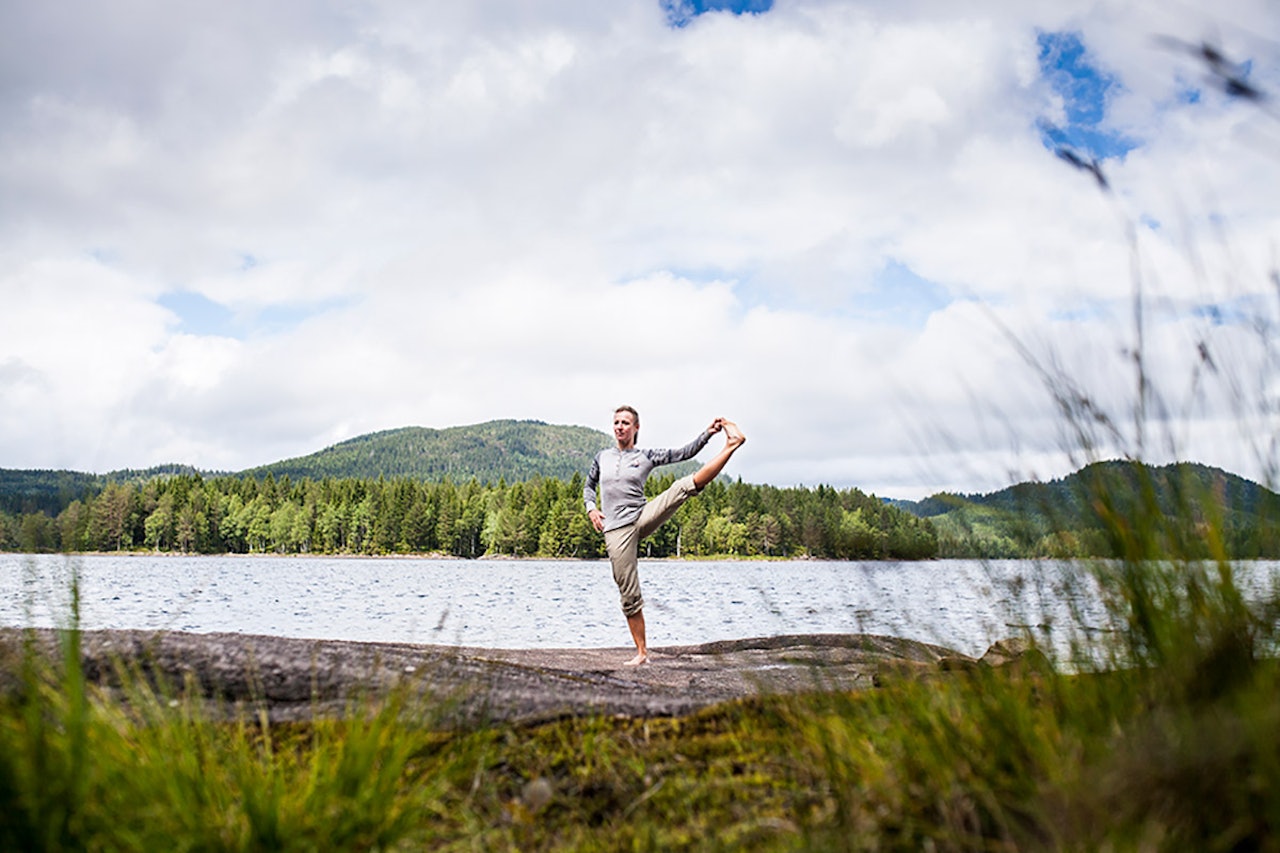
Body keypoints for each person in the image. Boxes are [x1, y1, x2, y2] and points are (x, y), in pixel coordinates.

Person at [583, 405, 746, 665]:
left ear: (636, 428)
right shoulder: (602, 457)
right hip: (616, 529)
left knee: (682, 487)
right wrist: (591, 508)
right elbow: (589, 486)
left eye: (626, 423)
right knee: (628, 593)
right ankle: (642, 653)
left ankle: (731, 445)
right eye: (616, 422)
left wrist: (708, 433)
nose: (619, 427)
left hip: (642, 515)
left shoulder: (646, 455)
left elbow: (684, 453)